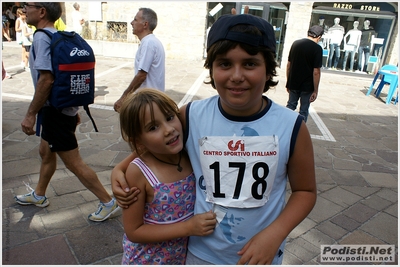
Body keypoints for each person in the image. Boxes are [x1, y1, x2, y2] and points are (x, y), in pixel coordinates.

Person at [112, 13, 317, 265]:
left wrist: (275, 233)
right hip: (200, 254)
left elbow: (305, 191)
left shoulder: (292, 126)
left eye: (250, 64)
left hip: (260, 256)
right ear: (211, 68)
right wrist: (120, 169)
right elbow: (153, 148)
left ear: (268, 69)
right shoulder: (191, 115)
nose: (237, 75)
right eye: (225, 64)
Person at [15, 2, 119, 222]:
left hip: (54, 113)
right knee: (46, 151)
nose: (25, 9)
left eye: (28, 5)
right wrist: (71, 109)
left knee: (74, 162)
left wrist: (30, 114)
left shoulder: (42, 37)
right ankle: (40, 195)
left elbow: (47, 79)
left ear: (42, 12)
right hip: (61, 110)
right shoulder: (57, 35)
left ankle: (108, 201)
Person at [118, 88, 216, 264]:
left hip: (181, 258)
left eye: (170, 117)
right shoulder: (139, 172)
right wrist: (188, 227)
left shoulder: (188, 152)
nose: (168, 130)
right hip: (147, 261)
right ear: (139, 141)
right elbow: (134, 231)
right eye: (153, 127)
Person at [113, 8, 165, 112]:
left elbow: (141, 75)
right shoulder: (152, 42)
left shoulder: (148, 43)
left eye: (135, 20)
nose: (132, 23)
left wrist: (124, 97)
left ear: (145, 24)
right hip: (152, 101)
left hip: (149, 102)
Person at [286, 25, 323, 122]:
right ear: (319, 37)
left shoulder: (296, 44)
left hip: (293, 82)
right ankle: (299, 132)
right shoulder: (317, 49)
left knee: (290, 105)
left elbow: (289, 65)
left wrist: (288, 81)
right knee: (303, 110)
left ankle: (285, 126)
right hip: (307, 85)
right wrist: (315, 90)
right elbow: (316, 71)